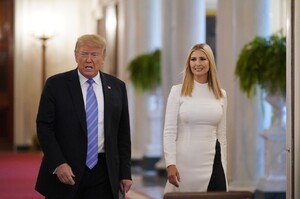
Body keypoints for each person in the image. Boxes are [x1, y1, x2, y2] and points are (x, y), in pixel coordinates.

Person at [35, 34, 132, 199]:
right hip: (66, 171)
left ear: (103, 57)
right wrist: (58, 163)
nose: (89, 60)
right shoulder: (56, 85)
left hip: (104, 172)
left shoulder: (117, 87)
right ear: (75, 56)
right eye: (84, 54)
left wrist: (125, 172)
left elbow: (123, 134)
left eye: (94, 55)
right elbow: (44, 128)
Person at [163, 43, 228, 193]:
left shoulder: (222, 94)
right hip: (185, 162)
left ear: (210, 62)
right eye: (193, 59)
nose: (197, 63)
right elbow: (169, 131)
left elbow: (222, 135)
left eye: (202, 59)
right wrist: (170, 163)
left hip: (214, 161)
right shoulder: (177, 91)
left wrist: (224, 166)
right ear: (188, 63)